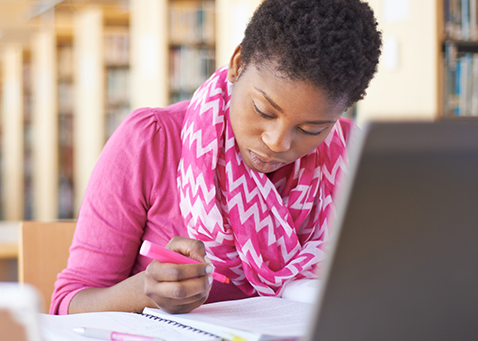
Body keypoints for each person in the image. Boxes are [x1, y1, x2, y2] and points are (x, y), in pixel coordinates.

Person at [51, 0, 381, 315]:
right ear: (237, 64)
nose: (277, 142)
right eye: (263, 110)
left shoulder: (353, 154)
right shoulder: (153, 140)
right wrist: (143, 292)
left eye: (311, 129)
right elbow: (67, 304)